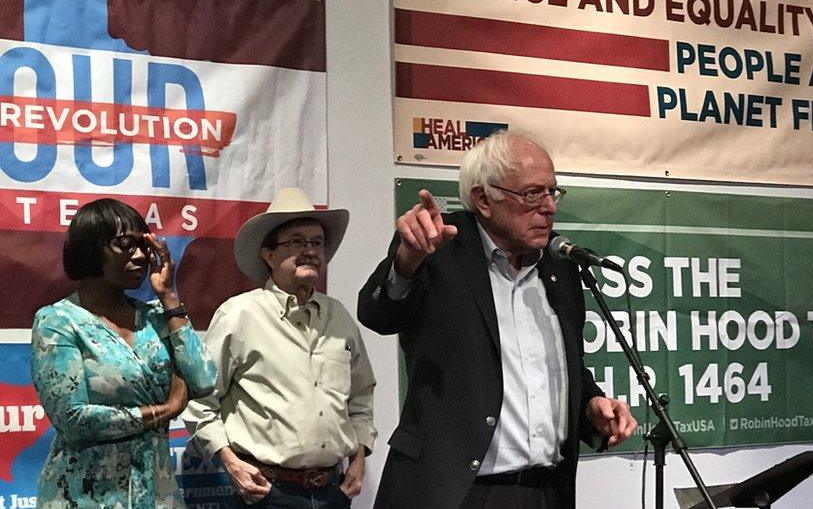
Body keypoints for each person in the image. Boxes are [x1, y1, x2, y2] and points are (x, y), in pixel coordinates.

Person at [358, 130, 637, 508]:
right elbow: (379, 315)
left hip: (546, 492)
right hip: (456, 493)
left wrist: (591, 405)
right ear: (483, 199)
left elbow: (567, 368)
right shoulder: (439, 247)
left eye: (553, 192)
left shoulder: (560, 267)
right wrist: (407, 261)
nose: (550, 207)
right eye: (532, 194)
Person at [183, 187, 376, 508]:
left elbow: (361, 396)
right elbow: (201, 399)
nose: (310, 250)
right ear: (268, 255)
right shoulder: (239, 315)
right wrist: (231, 463)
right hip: (264, 492)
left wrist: (359, 455)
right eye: (297, 241)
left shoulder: (339, 317)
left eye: (317, 242)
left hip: (333, 491)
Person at [31, 198, 217, 508]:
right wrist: (165, 410)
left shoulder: (157, 317)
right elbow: (72, 419)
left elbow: (204, 379)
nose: (142, 255)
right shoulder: (59, 320)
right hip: (84, 496)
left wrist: (169, 296)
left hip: (157, 495)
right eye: (125, 244)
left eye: (145, 245)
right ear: (91, 248)